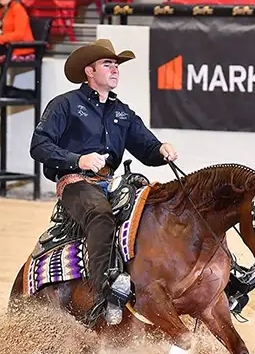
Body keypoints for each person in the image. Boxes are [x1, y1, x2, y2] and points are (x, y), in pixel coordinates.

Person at [29, 39, 180, 325]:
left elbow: (146, 148)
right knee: (100, 215)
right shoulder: (65, 105)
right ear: (90, 71)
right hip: (75, 182)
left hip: (111, 182)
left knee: (155, 208)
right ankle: (105, 292)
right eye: (107, 64)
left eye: (116, 65)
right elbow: (39, 145)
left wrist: (161, 149)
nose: (115, 70)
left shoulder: (121, 111)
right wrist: (78, 160)